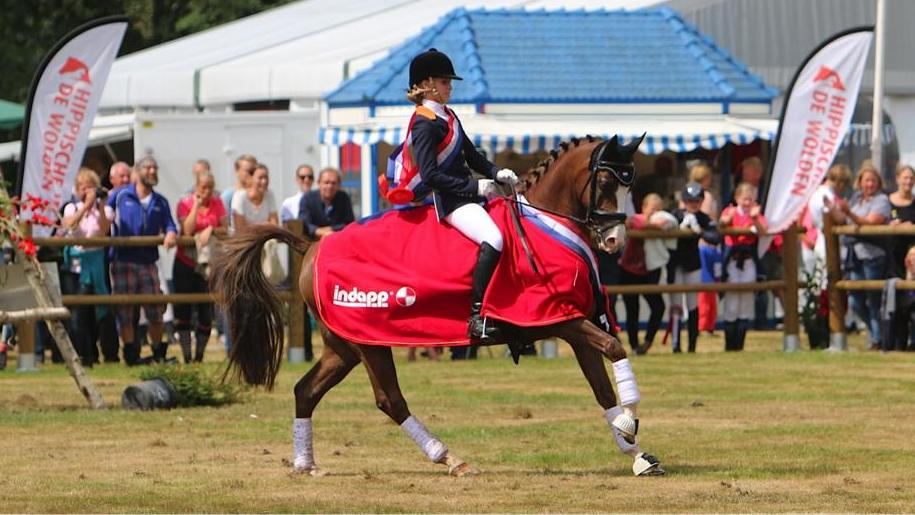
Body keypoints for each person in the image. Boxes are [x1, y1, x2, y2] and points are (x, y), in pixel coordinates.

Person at [395, 48, 518, 342]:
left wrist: (496, 172)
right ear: (427, 84)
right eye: (444, 81)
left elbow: (471, 155)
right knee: (495, 238)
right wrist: (474, 187)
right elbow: (430, 175)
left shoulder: (447, 115)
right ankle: (476, 318)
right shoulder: (424, 122)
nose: (450, 86)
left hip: (469, 194)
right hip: (451, 201)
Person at [107, 156, 178, 365]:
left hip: (148, 261)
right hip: (123, 260)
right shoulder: (120, 196)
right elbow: (106, 215)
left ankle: (158, 353)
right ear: (138, 172)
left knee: (155, 310)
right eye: (148, 168)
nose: (153, 171)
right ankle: (130, 354)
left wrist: (171, 233)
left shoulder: (160, 201)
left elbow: (170, 225)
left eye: (155, 168)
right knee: (125, 311)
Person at [828, 164, 891, 350]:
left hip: (873, 255)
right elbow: (842, 220)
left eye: (873, 180)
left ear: (878, 183)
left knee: (873, 299)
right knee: (855, 300)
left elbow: (870, 222)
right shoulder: (856, 198)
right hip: (853, 255)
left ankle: (877, 339)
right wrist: (832, 209)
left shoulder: (882, 200)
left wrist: (848, 212)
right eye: (866, 180)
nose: (869, 184)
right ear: (860, 182)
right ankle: (874, 333)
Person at [60, 168, 118, 365]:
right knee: (79, 313)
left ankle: (110, 354)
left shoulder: (106, 210)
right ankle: (84, 355)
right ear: (77, 190)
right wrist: (85, 205)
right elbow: (70, 226)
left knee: (103, 311)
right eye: (83, 188)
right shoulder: (71, 207)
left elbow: (103, 231)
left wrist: (99, 205)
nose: (88, 192)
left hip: (98, 263)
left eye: (91, 188)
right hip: (77, 268)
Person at [174, 171, 227, 363]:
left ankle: (199, 356)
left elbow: (225, 228)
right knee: (183, 310)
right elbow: (187, 230)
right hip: (185, 261)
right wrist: (196, 205)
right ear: (196, 186)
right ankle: (187, 356)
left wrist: (210, 229)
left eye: (210, 187)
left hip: (208, 264)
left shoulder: (217, 203)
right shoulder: (184, 203)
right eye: (203, 187)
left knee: (206, 311)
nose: (207, 191)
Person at [619, 194, 676, 355]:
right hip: (629, 270)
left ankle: (648, 341)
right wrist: (653, 226)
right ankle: (635, 345)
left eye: (659, 210)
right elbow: (630, 224)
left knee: (658, 306)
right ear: (643, 208)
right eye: (652, 209)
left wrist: (659, 226)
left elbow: (672, 225)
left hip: (649, 271)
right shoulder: (636, 219)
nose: (655, 213)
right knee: (632, 309)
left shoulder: (662, 223)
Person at [668, 182, 719, 353]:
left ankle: (692, 345)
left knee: (692, 305)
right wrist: (680, 226)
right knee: (675, 305)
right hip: (675, 264)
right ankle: (675, 345)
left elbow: (715, 236)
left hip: (693, 264)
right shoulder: (675, 215)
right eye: (690, 201)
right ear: (683, 201)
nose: (693, 204)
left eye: (697, 201)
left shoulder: (703, 217)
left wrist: (700, 231)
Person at [719, 182, 767, 351]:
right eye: (744, 199)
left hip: (748, 260)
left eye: (750, 199)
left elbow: (763, 231)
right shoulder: (730, 211)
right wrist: (727, 219)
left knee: (746, 301)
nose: (747, 202)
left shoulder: (756, 215)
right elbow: (721, 225)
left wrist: (754, 217)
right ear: (737, 198)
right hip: (732, 260)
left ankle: (740, 345)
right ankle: (729, 344)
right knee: (731, 301)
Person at [690, 164, 721, 335]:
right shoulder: (705, 196)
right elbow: (707, 219)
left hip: (700, 245)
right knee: (708, 286)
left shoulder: (686, 196)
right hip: (707, 245)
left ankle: (705, 323)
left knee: (706, 286)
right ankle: (706, 323)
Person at [298, 167, 354, 239]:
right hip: (312, 243)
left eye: (333, 183)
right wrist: (318, 231)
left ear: (339, 185)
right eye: (326, 182)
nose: (330, 186)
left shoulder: (344, 198)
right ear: (319, 183)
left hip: (338, 240)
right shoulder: (307, 199)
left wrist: (331, 229)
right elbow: (303, 223)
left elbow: (349, 223)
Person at [888, 165, 915, 276]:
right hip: (891, 252)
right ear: (897, 178)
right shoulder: (886, 199)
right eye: (905, 178)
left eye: (911, 178)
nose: (908, 181)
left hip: (912, 254)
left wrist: (911, 225)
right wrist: (888, 224)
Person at [233, 162, 278, 228]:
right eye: (260, 178)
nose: (264, 181)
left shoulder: (269, 194)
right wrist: (263, 226)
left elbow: (275, 224)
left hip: (265, 236)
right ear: (251, 178)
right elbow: (240, 228)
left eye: (266, 177)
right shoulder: (239, 197)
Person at [221, 154, 258, 231]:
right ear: (237, 172)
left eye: (253, 171)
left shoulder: (261, 193)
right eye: (248, 171)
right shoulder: (228, 196)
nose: (251, 174)